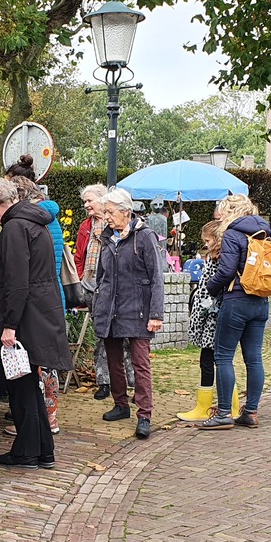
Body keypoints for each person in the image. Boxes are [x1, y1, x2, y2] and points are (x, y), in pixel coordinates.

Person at [0, 179, 72, 469]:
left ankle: (28, 451)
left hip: (26, 316)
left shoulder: (16, 227)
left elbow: (17, 281)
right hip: (39, 310)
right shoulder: (33, 222)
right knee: (28, 384)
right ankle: (43, 450)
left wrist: (10, 325)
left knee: (21, 385)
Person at [93, 188, 164, 440]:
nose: (106, 217)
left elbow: (157, 277)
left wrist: (156, 314)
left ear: (126, 211)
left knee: (140, 362)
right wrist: (96, 304)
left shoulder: (145, 237)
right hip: (110, 309)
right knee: (113, 359)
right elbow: (101, 276)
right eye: (105, 212)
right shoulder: (106, 237)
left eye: (110, 212)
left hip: (138, 310)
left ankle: (145, 414)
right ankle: (121, 404)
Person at [198, 194, 271, 430]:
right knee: (254, 358)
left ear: (230, 211)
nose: (219, 217)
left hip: (237, 299)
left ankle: (223, 414)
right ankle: (250, 412)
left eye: (222, 212)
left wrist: (210, 287)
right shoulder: (262, 233)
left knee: (223, 356)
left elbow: (227, 271)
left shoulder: (232, 234)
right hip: (260, 300)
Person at [75, 183, 136, 401]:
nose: (86, 205)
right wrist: (82, 279)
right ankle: (104, 381)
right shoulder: (86, 226)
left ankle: (132, 380)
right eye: (85, 201)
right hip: (93, 288)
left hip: (118, 291)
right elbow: (79, 255)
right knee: (102, 336)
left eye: (90, 200)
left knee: (127, 337)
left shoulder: (117, 226)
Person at [177, 221, 221, 421]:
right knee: (219, 361)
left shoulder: (217, 260)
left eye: (207, 240)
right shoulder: (217, 258)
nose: (205, 244)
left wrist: (201, 310)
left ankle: (206, 407)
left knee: (211, 361)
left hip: (213, 317)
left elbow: (208, 288)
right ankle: (222, 405)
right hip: (213, 316)